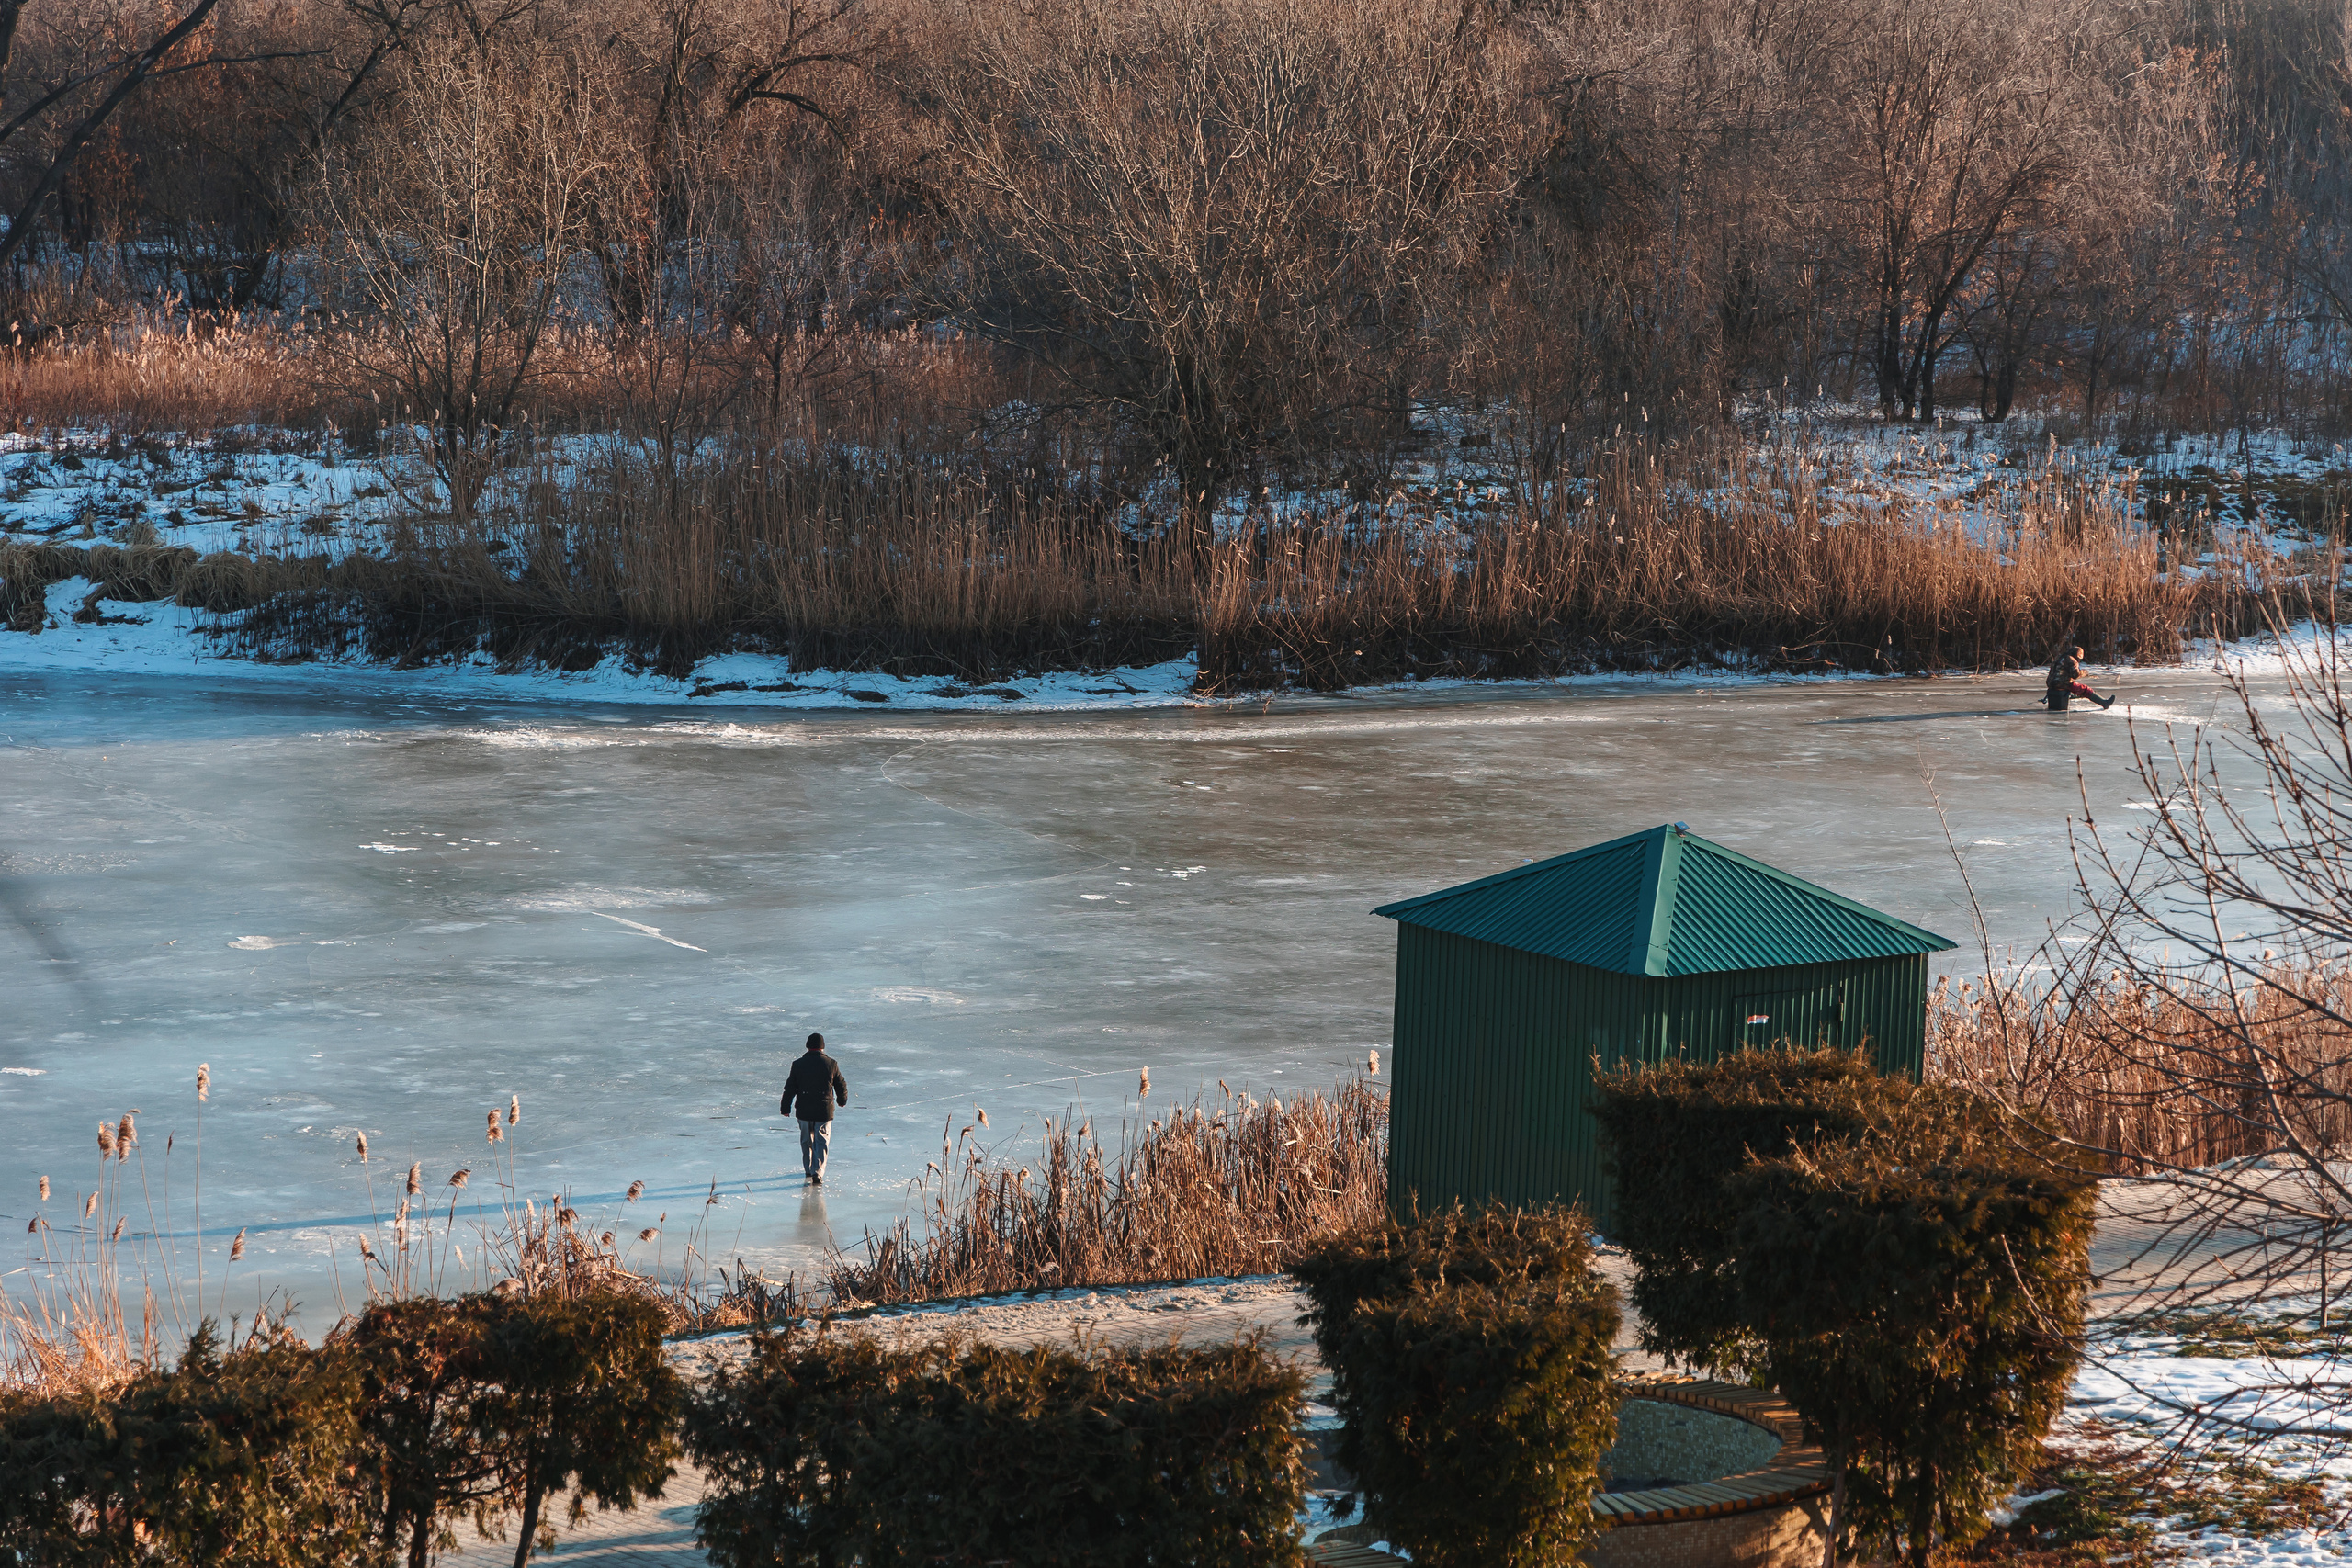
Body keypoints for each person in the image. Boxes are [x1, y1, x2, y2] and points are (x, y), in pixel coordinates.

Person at [781, 1032, 849, 1184]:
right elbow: (841, 1084)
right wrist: (842, 1100)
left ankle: (808, 1169)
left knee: (807, 1141)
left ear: (808, 1046)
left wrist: (785, 1107)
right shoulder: (831, 1064)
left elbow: (790, 1088)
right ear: (822, 1047)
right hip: (824, 1110)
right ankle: (817, 1172)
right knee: (821, 1141)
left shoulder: (798, 1064)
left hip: (804, 1110)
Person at [2045, 645, 2116, 711]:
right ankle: (2104, 703)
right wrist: (2084, 673)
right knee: (2085, 689)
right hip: (2062, 683)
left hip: (2051, 683)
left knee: (2072, 686)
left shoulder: (2060, 657)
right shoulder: (2071, 660)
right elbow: (2075, 675)